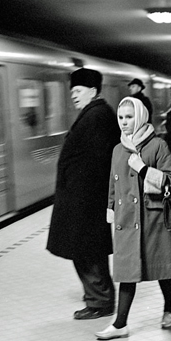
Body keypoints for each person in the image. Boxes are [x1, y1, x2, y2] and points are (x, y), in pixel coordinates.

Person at [95, 97, 171, 340]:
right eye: (121, 118)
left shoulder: (157, 145)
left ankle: (168, 308)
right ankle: (120, 324)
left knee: (162, 269)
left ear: (140, 117)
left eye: (129, 117)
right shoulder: (118, 149)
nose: (124, 122)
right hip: (127, 219)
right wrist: (110, 208)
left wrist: (143, 168)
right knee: (128, 271)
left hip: (154, 217)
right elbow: (112, 184)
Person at [46, 68, 119, 320]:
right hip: (84, 198)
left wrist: (82, 197)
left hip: (86, 200)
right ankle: (98, 297)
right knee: (87, 250)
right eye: (72, 92)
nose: (73, 96)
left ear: (92, 91)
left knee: (87, 252)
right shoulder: (95, 113)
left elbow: (97, 162)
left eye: (77, 91)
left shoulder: (96, 116)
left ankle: (100, 301)